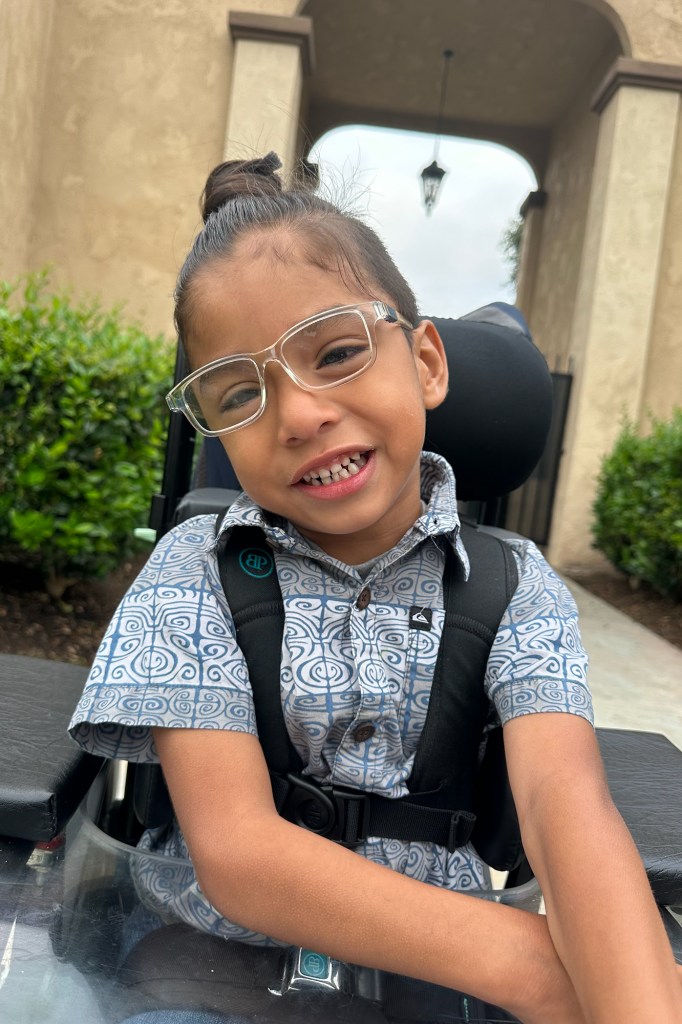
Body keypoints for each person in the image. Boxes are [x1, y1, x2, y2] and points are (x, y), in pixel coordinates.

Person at [69, 153, 682, 1023]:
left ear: (426, 360)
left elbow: (562, 803)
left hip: (435, 993)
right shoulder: (197, 570)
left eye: (339, 352)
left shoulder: (513, 586)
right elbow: (238, 853)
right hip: (212, 967)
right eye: (240, 394)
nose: (300, 415)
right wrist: (533, 964)